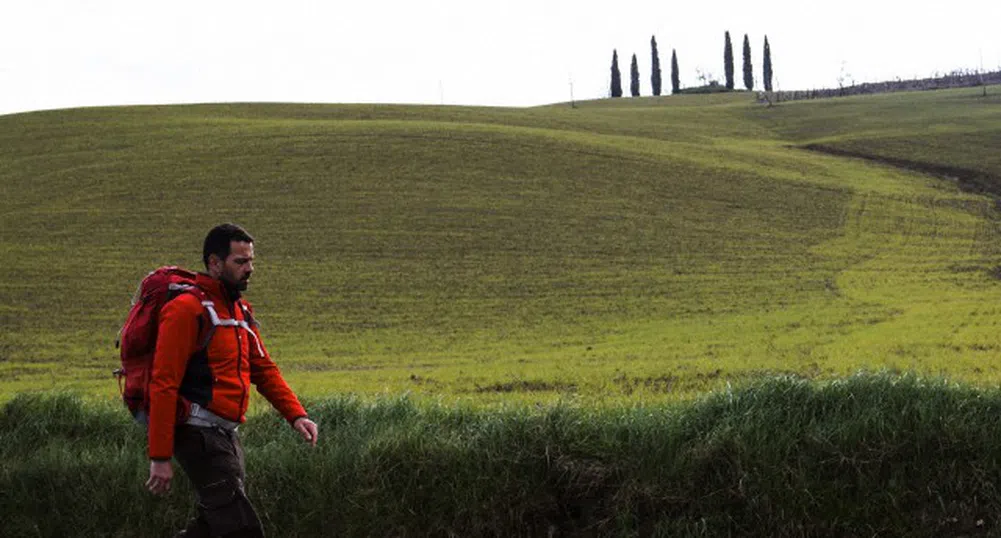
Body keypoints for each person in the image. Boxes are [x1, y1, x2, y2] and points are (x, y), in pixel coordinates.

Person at [145, 223, 319, 538]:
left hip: (227, 438)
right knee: (242, 529)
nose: (249, 269)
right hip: (197, 435)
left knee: (213, 527)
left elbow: (263, 369)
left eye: (251, 261)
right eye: (240, 262)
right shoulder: (186, 310)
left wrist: (297, 415)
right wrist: (159, 456)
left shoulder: (240, 312)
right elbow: (163, 384)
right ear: (214, 263)